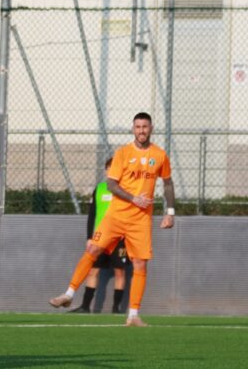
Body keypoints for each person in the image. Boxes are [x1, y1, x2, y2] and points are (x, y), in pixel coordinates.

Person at [50, 112, 175, 327]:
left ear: (151, 128)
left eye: (145, 126)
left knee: (140, 264)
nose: (141, 131)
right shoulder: (123, 153)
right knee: (93, 250)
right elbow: (111, 185)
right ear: (132, 129)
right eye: (138, 127)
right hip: (116, 216)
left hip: (141, 220)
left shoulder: (160, 155)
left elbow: (168, 183)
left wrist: (170, 212)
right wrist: (133, 197)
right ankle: (69, 294)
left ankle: (133, 315)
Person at [69, 157, 128, 314]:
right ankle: (85, 306)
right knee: (92, 271)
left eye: (115, 168)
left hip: (119, 238)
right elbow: (92, 214)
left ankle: (116, 309)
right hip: (100, 237)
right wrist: (90, 236)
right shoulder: (100, 188)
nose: (112, 171)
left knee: (119, 272)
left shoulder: (125, 189)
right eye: (109, 168)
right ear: (106, 170)